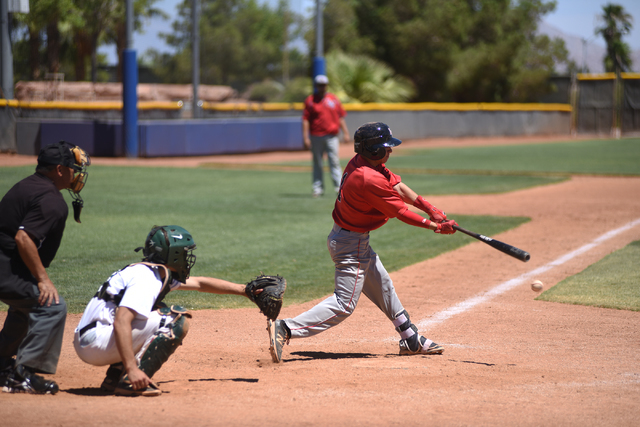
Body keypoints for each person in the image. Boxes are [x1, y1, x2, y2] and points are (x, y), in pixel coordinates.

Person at [268, 122, 458, 363]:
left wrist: (430, 208)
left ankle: (410, 339)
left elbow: (397, 186)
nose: (390, 151)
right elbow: (401, 213)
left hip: (351, 238)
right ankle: (285, 328)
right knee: (344, 304)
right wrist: (436, 227)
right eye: (386, 147)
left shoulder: (364, 163)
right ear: (374, 150)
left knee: (384, 285)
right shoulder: (367, 178)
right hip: (350, 243)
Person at [73, 225, 262, 397]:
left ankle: (114, 377)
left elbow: (200, 283)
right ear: (173, 254)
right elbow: (122, 320)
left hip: (91, 339)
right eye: (184, 253)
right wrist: (132, 368)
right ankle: (131, 379)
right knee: (175, 319)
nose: (188, 258)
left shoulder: (151, 271)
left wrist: (245, 290)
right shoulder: (147, 279)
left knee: (157, 310)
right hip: (97, 343)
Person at [0, 141, 91, 394]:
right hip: (4, 268)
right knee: (52, 306)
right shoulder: (51, 199)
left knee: (26, 307)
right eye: (74, 168)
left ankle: (2, 365)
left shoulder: (27, 185)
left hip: (7, 266)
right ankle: (24, 375)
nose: (77, 173)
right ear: (60, 169)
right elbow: (23, 238)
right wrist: (42, 279)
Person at [302, 74, 350, 198]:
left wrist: (346, 132)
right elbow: (305, 119)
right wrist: (305, 137)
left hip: (332, 136)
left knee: (334, 162)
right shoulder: (310, 100)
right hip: (316, 136)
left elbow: (340, 117)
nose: (322, 87)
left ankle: (340, 188)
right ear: (316, 86)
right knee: (317, 163)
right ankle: (317, 189)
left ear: (326, 86)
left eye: (323, 85)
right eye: (319, 85)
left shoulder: (333, 99)